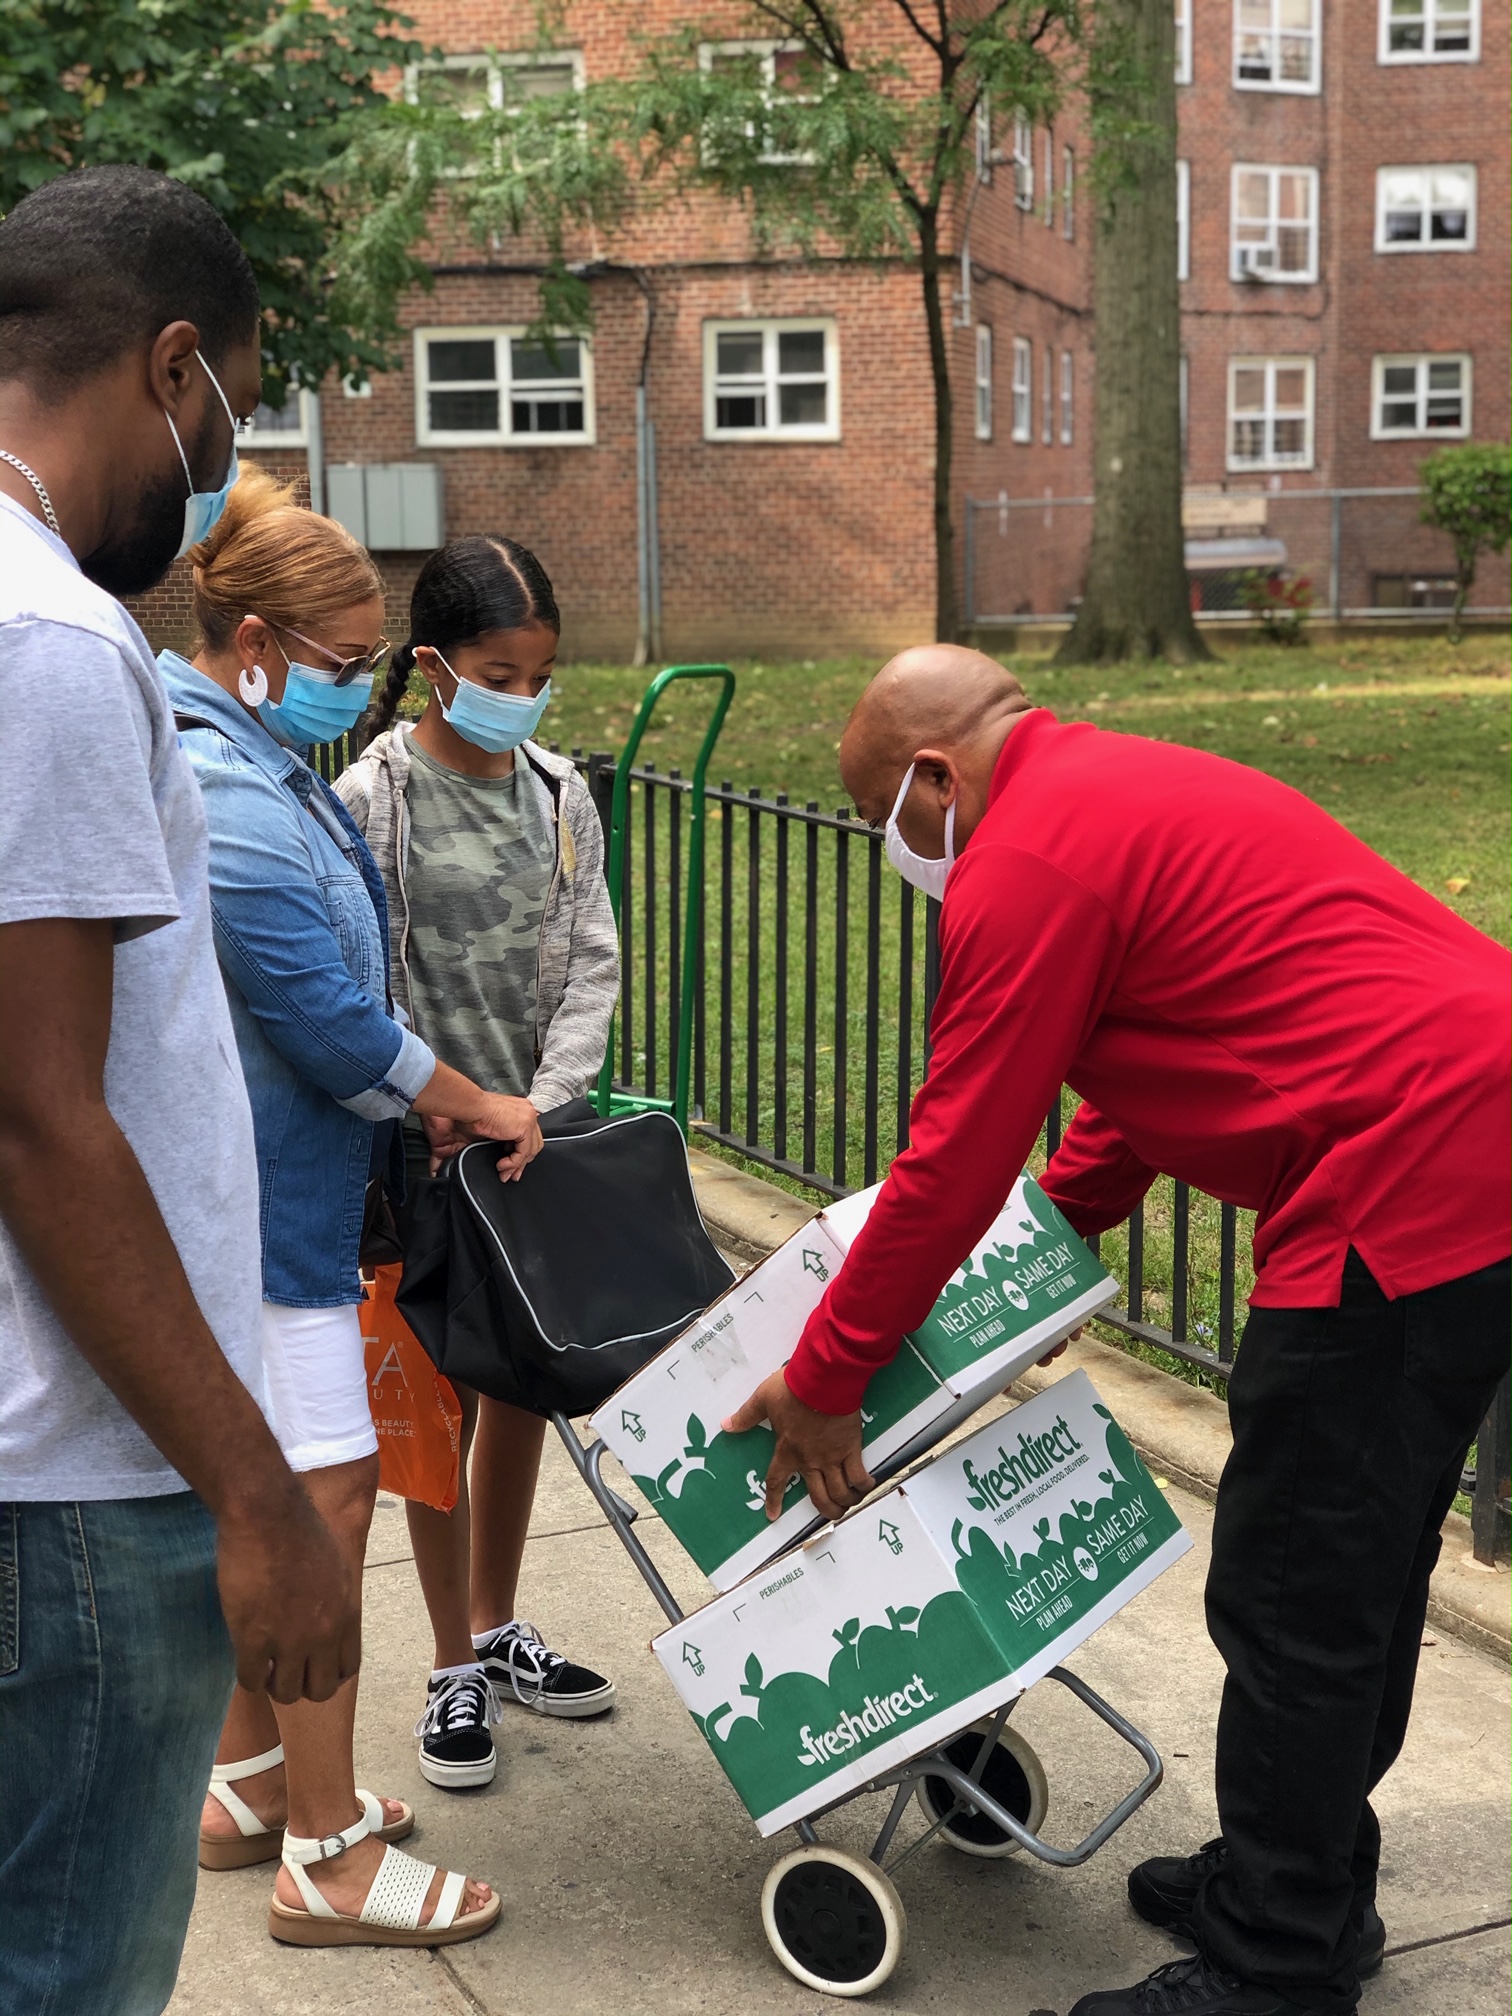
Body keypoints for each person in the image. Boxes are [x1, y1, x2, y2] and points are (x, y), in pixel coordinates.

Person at [727, 644, 1512, 2016]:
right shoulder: (1107, 789)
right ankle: (1302, 1883)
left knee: (1294, 1593)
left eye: (879, 826)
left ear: (931, 776)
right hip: (1465, 1132)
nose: (890, 854)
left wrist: (826, 1376)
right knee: (1355, 1576)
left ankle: (1277, 1962)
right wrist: (1062, 1233)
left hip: (1399, 1172)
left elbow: (953, 1156)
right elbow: (1167, 1040)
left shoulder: (1025, 860)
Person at [0, 168, 358, 2015]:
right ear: (165, 367)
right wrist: (257, 1495)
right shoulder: (52, 644)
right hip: (70, 1479)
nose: (221, 459)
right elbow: (40, 1112)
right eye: (228, 400)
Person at [159, 472, 533, 1946]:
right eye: (341, 663)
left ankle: (251, 1780)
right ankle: (326, 1855)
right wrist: (468, 1096)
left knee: (289, 1489)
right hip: (265, 1213)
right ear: (255, 640)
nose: (358, 689)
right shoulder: (223, 776)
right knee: (319, 1503)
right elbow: (319, 1014)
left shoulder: (255, 752)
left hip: (282, 1199)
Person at [337, 535, 619, 1790]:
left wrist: (535, 1104)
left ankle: (500, 1627)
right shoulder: (368, 801)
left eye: (543, 670)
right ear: (438, 669)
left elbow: (591, 963)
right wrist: (436, 1105)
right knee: (434, 1409)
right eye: (504, 669)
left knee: (521, 1393)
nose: (527, 692)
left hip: (529, 1146)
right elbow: (349, 988)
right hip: (412, 1155)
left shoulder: (560, 794)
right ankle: (452, 1664)